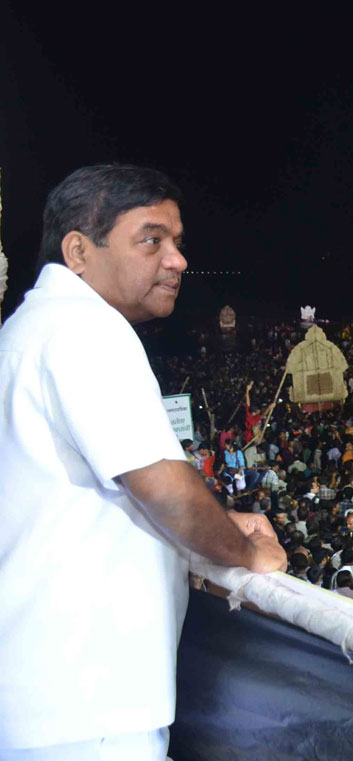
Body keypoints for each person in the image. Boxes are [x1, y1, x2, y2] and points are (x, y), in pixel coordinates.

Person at [0, 164, 286, 760]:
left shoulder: (33, 327)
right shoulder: (85, 329)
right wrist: (245, 552)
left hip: (54, 699)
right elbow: (163, 489)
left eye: (177, 242)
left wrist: (216, 522)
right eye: (151, 239)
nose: (177, 260)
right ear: (78, 250)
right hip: (87, 711)